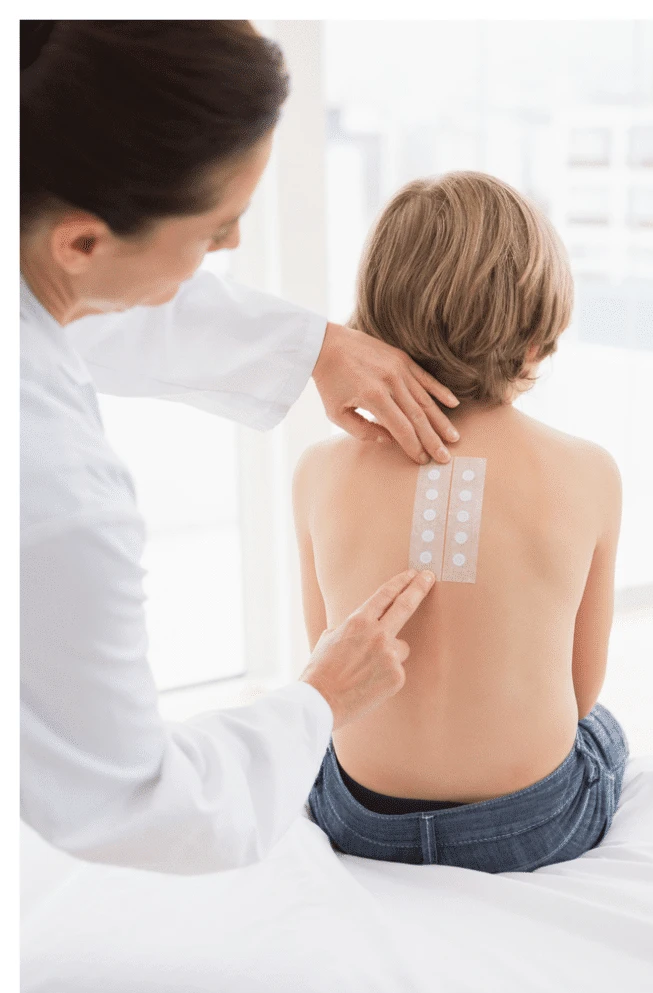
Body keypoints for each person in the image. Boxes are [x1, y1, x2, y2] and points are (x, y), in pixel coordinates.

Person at [20, 21, 461, 873]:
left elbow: (85, 309)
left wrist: (314, 346)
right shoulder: (55, 496)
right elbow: (136, 807)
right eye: (218, 229)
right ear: (80, 240)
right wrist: (320, 697)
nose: (231, 250)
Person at [295, 171, 630, 872]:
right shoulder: (587, 472)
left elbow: (332, 666)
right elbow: (579, 694)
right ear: (538, 334)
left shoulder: (319, 471)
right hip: (530, 824)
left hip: (362, 820)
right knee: (604, 730)